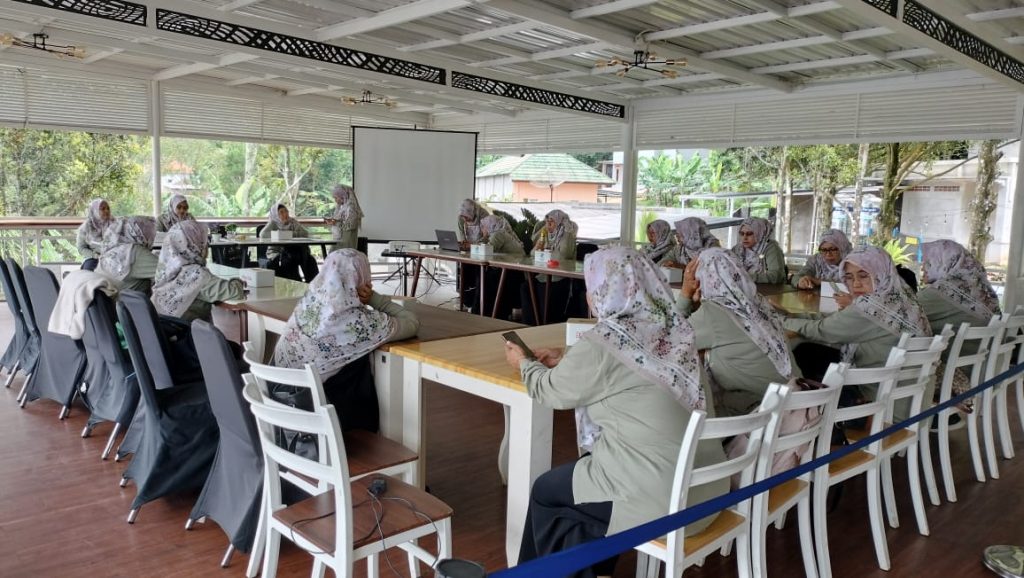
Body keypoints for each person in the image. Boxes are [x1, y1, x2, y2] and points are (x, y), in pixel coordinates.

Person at [506, 247, 726, 578]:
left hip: (660, 499)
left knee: (547, 492)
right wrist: (568, 358)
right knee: (579, 498)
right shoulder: (675, 329)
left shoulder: (605, 341)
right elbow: (630, 368)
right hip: (705, 491)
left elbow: (549, 390)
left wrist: (523, 364)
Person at [274, 249, 419, 432]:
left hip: (283, 407)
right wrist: (375, 299)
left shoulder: (308, 303)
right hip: (322, 423)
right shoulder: (360, 323)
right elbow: (412, 323)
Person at [784, 246, 931, 409]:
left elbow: (822, 330)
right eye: (848, 277)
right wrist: (791, 318)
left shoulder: (872, 306)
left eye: (863, 276)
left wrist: (780, 322)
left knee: (803, 354)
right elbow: (836, 319)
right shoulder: (901, 296)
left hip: (879, 399)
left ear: (881, 273)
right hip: (908, 396)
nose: (855, 284)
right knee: (809, 352)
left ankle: (815, 417)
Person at [677, 248, 800, 416]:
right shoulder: (757, 303)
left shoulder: (712, 313)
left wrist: (685, 295)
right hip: (790, 403)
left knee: (686, 409)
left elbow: (669, 339)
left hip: (760, 413)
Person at [152, 220, 244, 323]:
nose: (206, 246)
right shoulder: (196, 275)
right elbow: (236, 292)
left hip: (159, 330)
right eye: (203, 241)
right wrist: (237, 281)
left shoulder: (166, 268)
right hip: (185, 335)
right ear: (194, 245)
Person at [520, 209, 578, 325]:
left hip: (559, 276)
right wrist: (538, 246)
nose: (548, 225)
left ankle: (544, 324)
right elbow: (532, 254)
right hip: (544, 274)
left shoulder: (567, 234)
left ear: (559, 222)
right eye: (546, 222)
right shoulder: (546, 234)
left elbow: (564, 255)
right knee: (525, 287)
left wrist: (546, 252)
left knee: (544, 290)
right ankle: (529, 325)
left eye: (551, 222)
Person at [96, 216, 159, 295]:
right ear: (138, 234)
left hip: (104, 303)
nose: (151, 237)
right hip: (123, 305)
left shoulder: (111, 250)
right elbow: (168, 271)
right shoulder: (134, 251)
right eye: (147, 232)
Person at [478, 215, 524, 318]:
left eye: (483, 226)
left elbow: (486, 251)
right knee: (485, 275)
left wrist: (483, 237)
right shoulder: (500, 232)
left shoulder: (498, 234)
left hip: (513, 274)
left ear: (490, 226)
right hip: (511, 271)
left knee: (485, 278)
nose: (482, 229)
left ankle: (485, 312)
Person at [259, 204, 319, 283]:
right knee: (288, 261)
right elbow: (263, 235)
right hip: (278, 253)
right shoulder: (273, 223)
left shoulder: (292, 221)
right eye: (281, 212)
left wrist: (288, 234)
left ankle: (314, 284)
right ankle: (296, 284)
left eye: (286, 211)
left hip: (296, 253)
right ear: (276, 215)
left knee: (310, 260)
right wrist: (279, 234)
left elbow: (305, 233)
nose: (285, 214)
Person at [731, 216, 786, 284]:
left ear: (759, 233)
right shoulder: (737, 249)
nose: (744, 238)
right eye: (742, 234)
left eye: (749, 234)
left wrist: (749, 278)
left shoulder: (771, 248)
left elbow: (776, 276)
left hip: (770, 291)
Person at [76, 198, 113, 270]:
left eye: (108, 208)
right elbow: (81, 248)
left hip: (114, 256)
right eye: (103, 209)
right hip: (94, 257)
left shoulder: (115, 224)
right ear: (94, 211)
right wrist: (95, 255)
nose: (107, 211)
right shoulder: (85, 228)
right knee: (89, 273)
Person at [327, 184, 362, 251]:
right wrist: (334, 222)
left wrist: (336, 222)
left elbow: (350, 226)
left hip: (347, 239)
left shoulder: (351, 208)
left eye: (336, 198)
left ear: (343, 196)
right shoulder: (342, 208)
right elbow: (339, 221)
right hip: (340, 239)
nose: (335, 200)